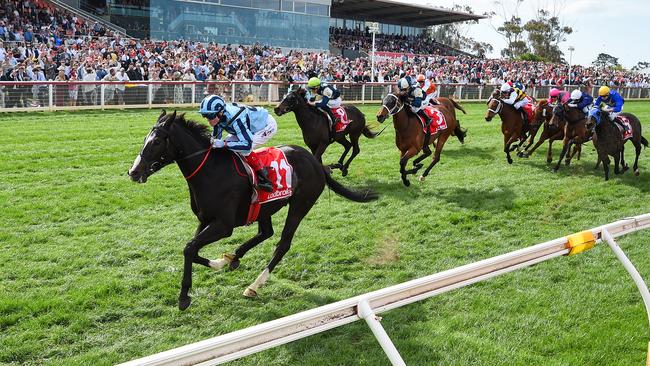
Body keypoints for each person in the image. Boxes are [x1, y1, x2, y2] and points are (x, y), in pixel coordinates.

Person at [199, 94, 277, 191]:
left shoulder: (236, 118)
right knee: (226, 144)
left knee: (243, 150)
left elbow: (247, 145)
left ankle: (264, 178)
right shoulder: (220, 116)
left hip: (265, 126)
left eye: (209, 115)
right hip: (247, 126)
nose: (207, 119)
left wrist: (224, 144)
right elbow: (215, 139)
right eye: (204, 115)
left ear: (220, 112)